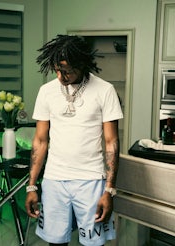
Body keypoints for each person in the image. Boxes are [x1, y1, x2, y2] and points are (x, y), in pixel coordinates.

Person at [25, 34, 123, 246]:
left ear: (82, 64)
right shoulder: (46, 92)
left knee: (93, 244)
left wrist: (109, 190)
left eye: (67, 70)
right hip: (54, 180)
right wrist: (31, 186)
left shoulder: (105, 90)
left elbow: (111, 143)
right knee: (56, 243)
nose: (61, 76)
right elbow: (40, 141)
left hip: (91, 180)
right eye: (57, 69)